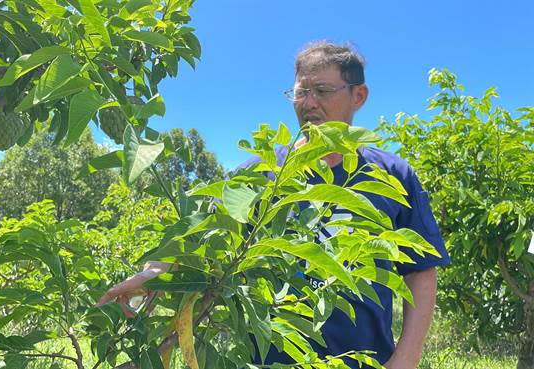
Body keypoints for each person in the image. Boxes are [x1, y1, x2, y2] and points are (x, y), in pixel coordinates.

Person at [98, 41, 451, 369]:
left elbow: (421, 270)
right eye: (300, 92)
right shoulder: (261, 171)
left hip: (364, 359)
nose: (309, 103)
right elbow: (200, 228)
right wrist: (153, 274)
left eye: (323, 91)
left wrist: (406, 359)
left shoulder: (392, 175)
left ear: (359, 95)